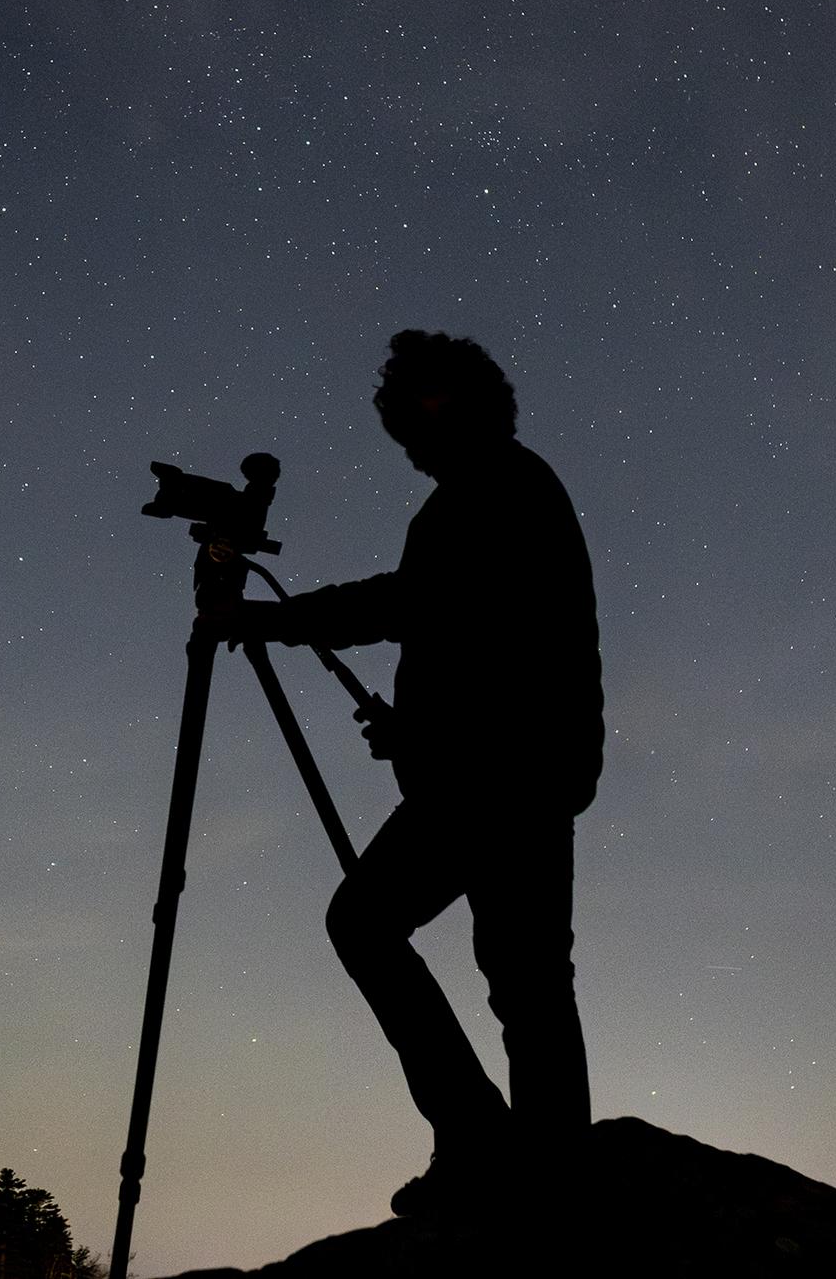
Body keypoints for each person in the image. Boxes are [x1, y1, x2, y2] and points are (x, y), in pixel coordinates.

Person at [213, 329, 603, 1215]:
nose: (418, 424)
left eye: (432, 400)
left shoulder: (499, 486)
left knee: (407, 936)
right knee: (522, 974)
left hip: (501, 778)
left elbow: (410, 604)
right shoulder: (492, 490)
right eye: (410, 408)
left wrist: (265, 621)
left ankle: (494, 1146)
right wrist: (415, 730)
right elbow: (478, 641)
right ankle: (535, 1166)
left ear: (467, 400)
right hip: (506, 771)